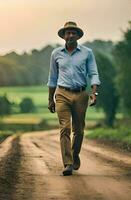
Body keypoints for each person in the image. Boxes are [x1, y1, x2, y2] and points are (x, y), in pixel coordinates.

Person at [47, 21, 101, 176]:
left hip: (81, 94)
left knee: (79, 130)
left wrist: (94, 92)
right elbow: (52, 78)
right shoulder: (56, 54)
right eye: (67, 33)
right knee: (65, 128)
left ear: (78, 35)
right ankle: (68, 163)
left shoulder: (87, 53)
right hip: (62, 93)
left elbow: (94, 73)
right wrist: (51, 99)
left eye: (73, 33)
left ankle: (74, 153)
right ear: (63, 36)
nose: (70, 35)